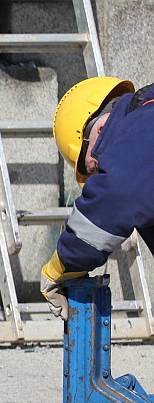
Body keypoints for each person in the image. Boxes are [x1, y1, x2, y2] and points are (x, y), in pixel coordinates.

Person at [41, 76, 154, 319]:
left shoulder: (146, 124)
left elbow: (118, 196)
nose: (96, 172)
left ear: (100, 129)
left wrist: (62, 264)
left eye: (89, 166)